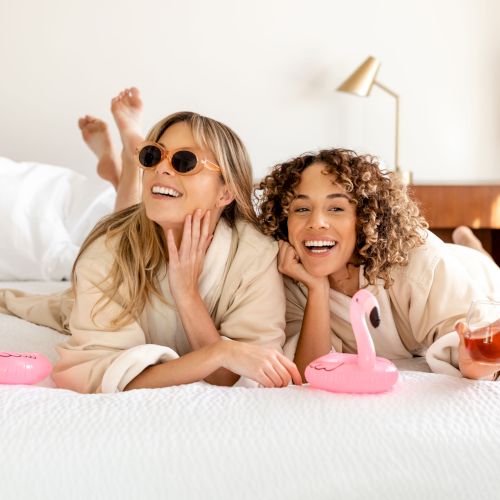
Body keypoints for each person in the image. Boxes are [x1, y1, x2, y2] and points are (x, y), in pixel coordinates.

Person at [0, 88, 301, 393]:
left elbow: (237, 374)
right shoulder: (106, 253)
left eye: (185, 161)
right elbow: (98, 372)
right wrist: (220, 351)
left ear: (225, 192)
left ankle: (126, 164)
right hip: (95, 283)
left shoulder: (255, 255)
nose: (162, 168)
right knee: (47, 305)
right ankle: (128, 164)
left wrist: (187, 295)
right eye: (152, 155)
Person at [257, 148, 500, 381]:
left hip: (474, 272)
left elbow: (464, 338)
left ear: (363, 219)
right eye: (301, 208)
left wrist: (472, 361)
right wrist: (317, 289)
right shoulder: (287, 274)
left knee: (482, 263)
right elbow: (308, 373)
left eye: (336, 208)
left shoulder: (417, 260)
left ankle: (471, 245)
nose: (316, 222)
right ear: (283, 219)